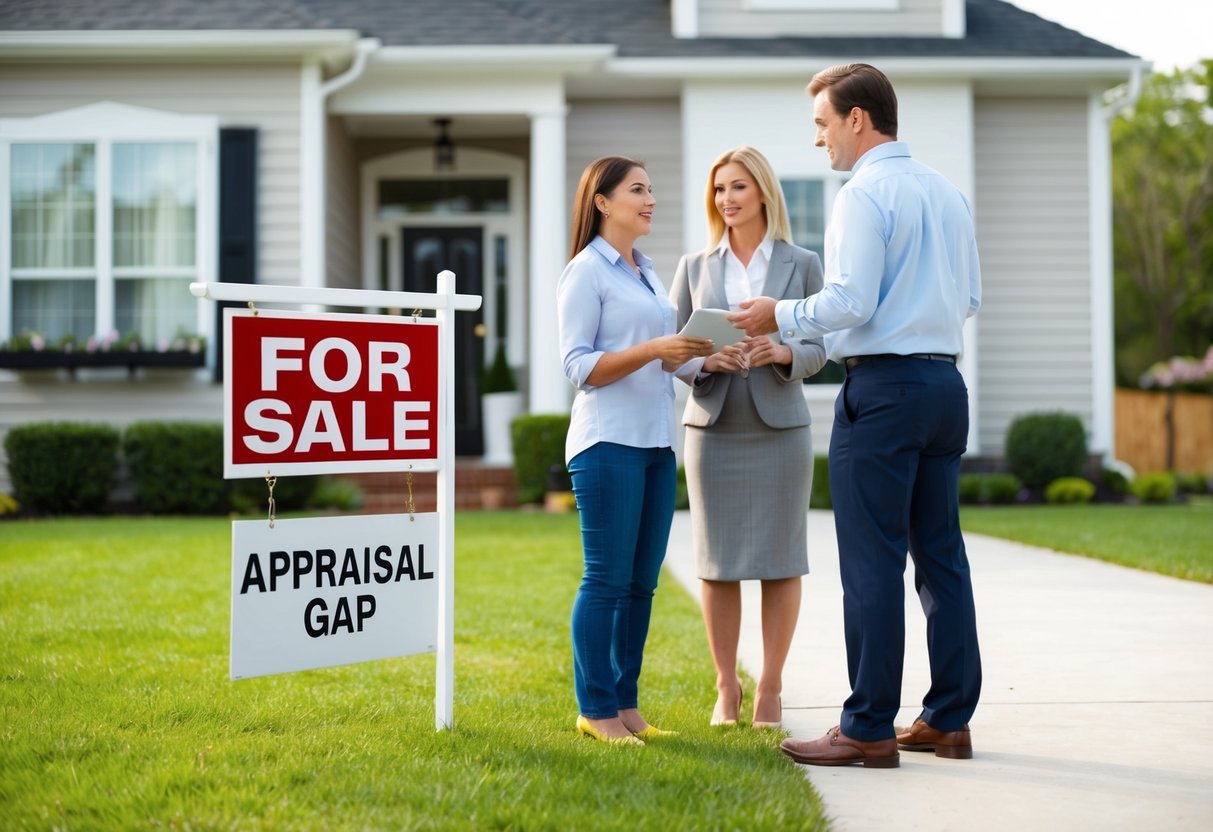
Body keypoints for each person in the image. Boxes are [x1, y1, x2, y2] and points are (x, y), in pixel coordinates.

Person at [729, 63, 983, 767]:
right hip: (942, 387)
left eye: (821, 124)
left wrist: (776, 311)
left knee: (871, 562)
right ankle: (947, 719)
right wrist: (808, 338)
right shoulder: (946, 193)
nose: (819, 141)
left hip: (883, 396)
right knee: (941, 558)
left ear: (856, 120)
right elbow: (967, 300)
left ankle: (867, 725)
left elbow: (850, 301)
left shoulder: (862, 195)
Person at [557, 155, 714, 746]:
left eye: (652, 189)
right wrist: (655, 348)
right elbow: (579, 366)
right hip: (606, 443)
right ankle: (594, 708)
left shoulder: (645, 271)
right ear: (602, 201)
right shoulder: (585, 272)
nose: (651, 199)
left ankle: (625, 705)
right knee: (605, 579)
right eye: (638, 190)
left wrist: (708, 361)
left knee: (640, 584)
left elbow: (666, 356)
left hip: (654, 442)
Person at [668, 146, 827, 729]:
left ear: (762, 192)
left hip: (781, 428)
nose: (726, 200)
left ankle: (771, 688)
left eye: (737, 187)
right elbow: (674, 352)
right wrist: (709, 364)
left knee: (782, 561)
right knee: (718, 563)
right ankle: (726, 687)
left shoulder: (802, 263)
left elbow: (824, 345)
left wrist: (782, 350)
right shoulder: (693, 267)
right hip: (713, 429)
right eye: (718, 190)